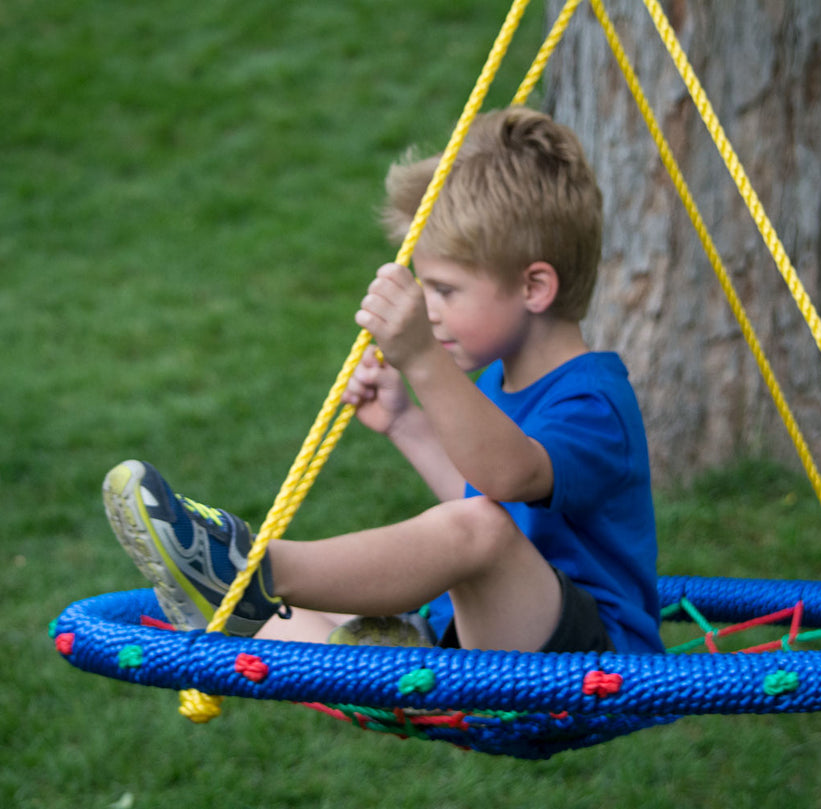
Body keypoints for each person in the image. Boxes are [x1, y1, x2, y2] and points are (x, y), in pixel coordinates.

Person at [102, 107, 663, 655]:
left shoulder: (592, 402)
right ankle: (256, 619)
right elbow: (488, 494)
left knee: (474, 533)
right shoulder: (500, 381)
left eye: (444, 289)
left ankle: (251, 569)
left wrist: (423, 359)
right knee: (324, 608)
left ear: (534, 288)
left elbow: (505, 483)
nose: (429, 307)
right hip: (497, 636)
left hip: (598, 663)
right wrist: (406, 423)